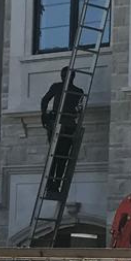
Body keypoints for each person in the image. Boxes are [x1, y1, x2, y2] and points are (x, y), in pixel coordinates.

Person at [39, 68, 85, 199]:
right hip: (64, 125)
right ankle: (53, 185)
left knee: (57, 157)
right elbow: (45, 100)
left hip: (61, 125)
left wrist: (44, 116)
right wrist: (44, 115)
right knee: (59, 157)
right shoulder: (75, 90)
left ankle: (53, 185)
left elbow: (44, 100)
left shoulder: (66, 89)